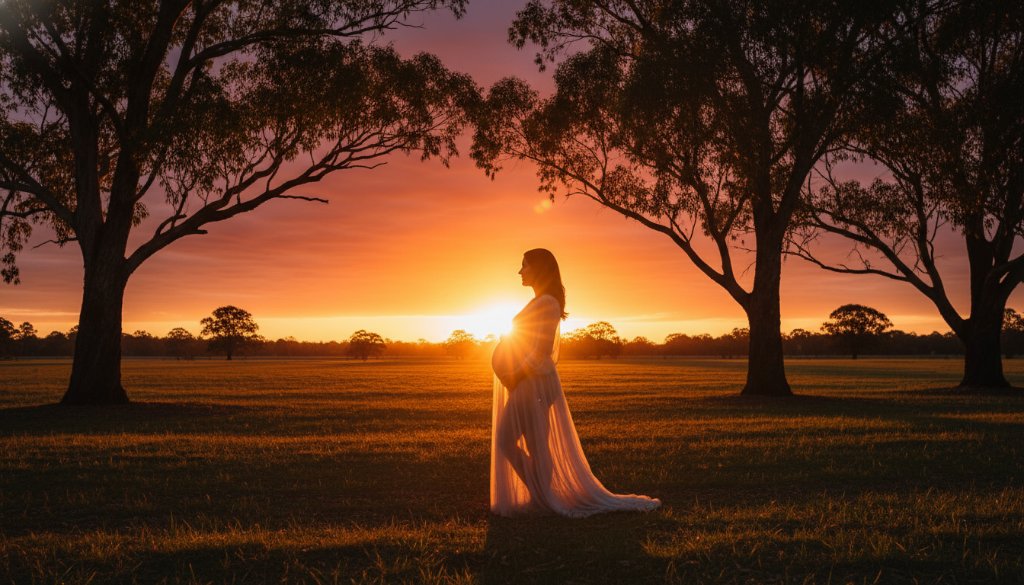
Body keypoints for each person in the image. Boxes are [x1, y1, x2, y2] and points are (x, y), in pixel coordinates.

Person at [490, 248, 661, 517]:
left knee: (508, 440)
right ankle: (542, 497)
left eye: (524, 265)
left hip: (533, 381)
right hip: (530, 380)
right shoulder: (542, 301)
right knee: (535, 441)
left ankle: (542, 497)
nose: (520, 271)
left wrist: (515, 374)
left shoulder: (547, 303)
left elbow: (541, 349)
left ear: (539, 268)